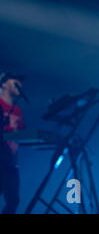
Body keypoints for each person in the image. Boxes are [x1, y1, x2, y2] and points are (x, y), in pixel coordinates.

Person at [0, 72, 26, 214]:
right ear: (3, 84)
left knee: (13, 201)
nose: (19, 83)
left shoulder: (17, 110)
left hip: (11, 163)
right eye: (15, 80)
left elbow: (20, 135)